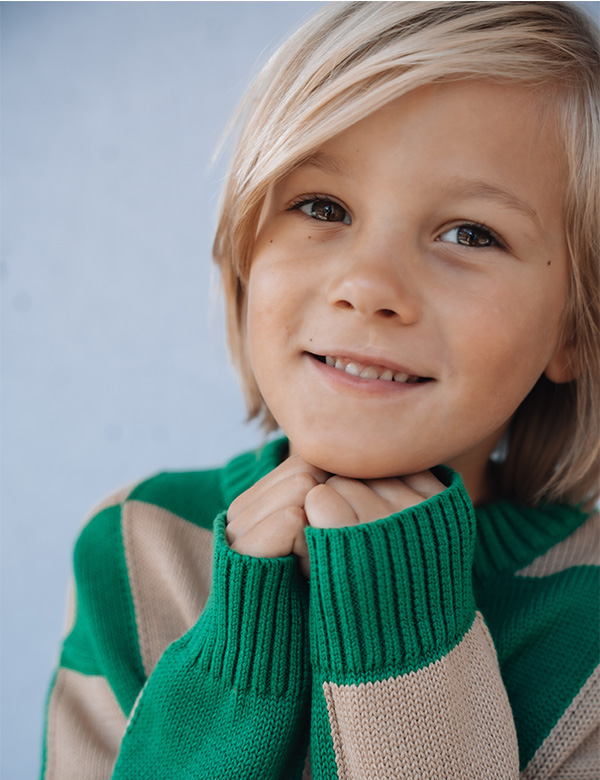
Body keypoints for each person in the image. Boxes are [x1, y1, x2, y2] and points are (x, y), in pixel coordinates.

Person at [41, 2, 599, 778]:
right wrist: (236, 665)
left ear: (574, 327)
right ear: (245, 251)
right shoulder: (138, 550)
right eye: (322, 207)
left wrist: (404, 634)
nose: (368, 287)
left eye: (470, 233)